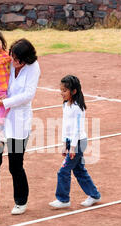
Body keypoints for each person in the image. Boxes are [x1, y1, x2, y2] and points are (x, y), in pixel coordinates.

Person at [0, 38, 41, 225]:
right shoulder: (7, 61)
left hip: (19, 122)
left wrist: (3, 102)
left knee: (15, 165)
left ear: (27, 59)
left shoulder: (33, 67)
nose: (14, 62)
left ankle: (21, 200)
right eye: (13, 57)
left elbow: (28, 95)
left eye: (19, 60)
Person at [49, 75, 101, 209]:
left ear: (73, 91)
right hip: (70, 142)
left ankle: (63, 199)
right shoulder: (66, 105)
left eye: (64, 90)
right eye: (61, 90)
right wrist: (63, 144)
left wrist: (72, 147)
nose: (62, 93)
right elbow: (65, 126)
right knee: (79, 171)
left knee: (63, 171)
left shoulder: (78, 107)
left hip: (78, 143)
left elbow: (77, 129)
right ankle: (94, 195)